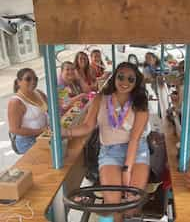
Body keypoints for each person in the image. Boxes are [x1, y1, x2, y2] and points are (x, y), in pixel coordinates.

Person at [62, 62, 150, 222]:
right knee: (113, 206)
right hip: (110, 152)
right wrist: (66, 132)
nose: (125, 82)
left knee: (132, 204)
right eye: (121, 77)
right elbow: (88, 126)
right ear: (114, 77)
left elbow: (134, 139)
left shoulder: (140, 102)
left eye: (130, 79)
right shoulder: (100, 98)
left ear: (136, 82)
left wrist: (126, 170)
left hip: (136, 151)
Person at [8, 68, 48, 154]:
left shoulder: (39, 93)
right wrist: (40, 130)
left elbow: (52, 107)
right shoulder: (15, 102)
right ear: (18, 82)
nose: (33, 82)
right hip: (27, 142)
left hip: (44, 135)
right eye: (28, 79)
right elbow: (14, 129)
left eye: (35, 79)